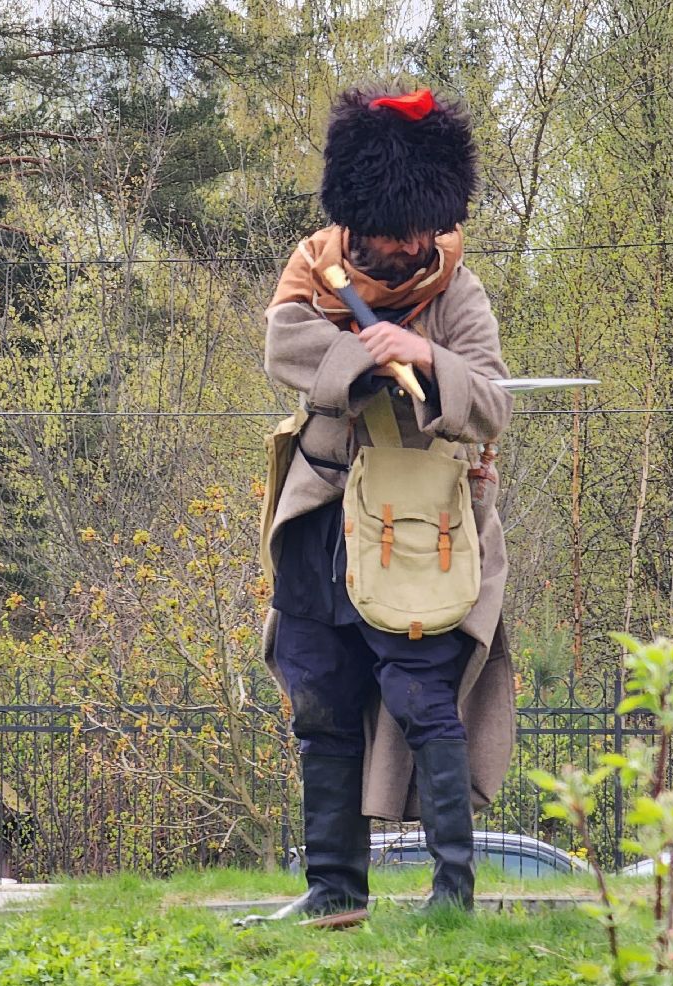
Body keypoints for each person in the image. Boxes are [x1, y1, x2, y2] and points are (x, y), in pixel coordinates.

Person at [248, 85, 516, 927]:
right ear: (361, 221)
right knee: (318, 701)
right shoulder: (313, 267)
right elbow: (284, 343)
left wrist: (424, 354)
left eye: (420, 233)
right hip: (321, 515)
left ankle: (452, 894)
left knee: (421, 698)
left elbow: (494, 402)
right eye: (396, 233)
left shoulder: (458, 291)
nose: (409, 247)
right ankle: (334, 893)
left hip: (418, 527)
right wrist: (365, 357)